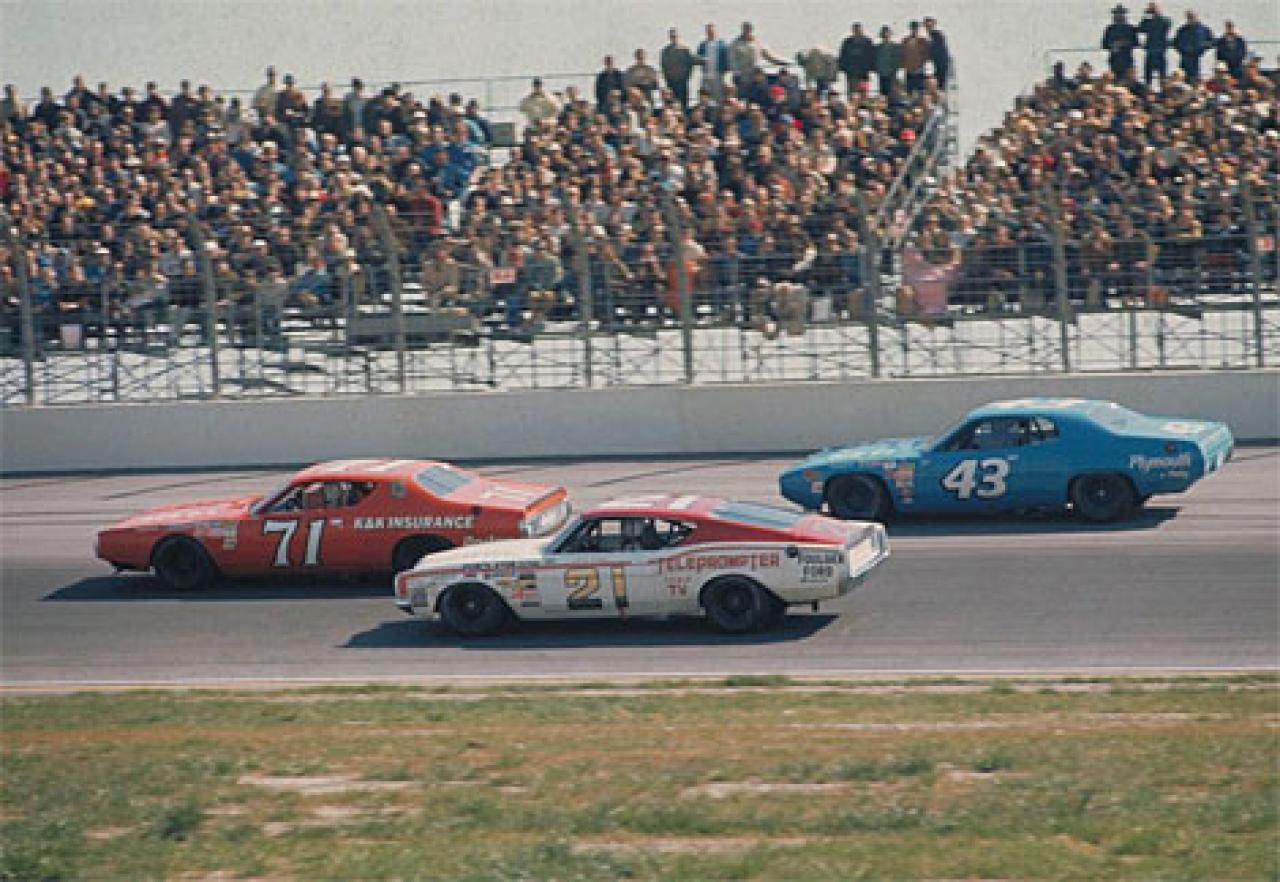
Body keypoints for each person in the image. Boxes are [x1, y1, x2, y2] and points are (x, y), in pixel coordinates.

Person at [728, 21, 788, 89]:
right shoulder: (735, 44)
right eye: (746, 29)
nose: (748, 31)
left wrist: (783, 62)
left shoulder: (758, 41)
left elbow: (769, 56)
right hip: (743, 76)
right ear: (743, 29)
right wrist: (737, 73)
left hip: (756, 75)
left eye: (749, 29)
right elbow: (732, 61)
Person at [660, 28, 703, 109]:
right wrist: (667, 78)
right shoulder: (665, 51)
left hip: (682, 82)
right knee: (671, 103)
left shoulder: (685, 50)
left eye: (675, 36)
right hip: (670, 82)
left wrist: (704, 60)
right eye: (672, 36)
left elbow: (692, 61)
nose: (674, 38)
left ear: (678, 36)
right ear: (669, 37)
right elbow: (663, 66)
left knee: (683, 104)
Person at [1172, 11, 1214, 82]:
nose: (1190, 19)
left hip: (1197, 57)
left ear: (1196, 17)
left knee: (1195, 78)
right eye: (1189, 17)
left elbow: (1212, 41)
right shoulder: (1182, 30)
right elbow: (1175, 42)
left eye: (1192, 17)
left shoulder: (1204, 29)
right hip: (1185, 57)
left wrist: (1202, 48)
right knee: (1182, 77)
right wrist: (1182, 51)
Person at [1137, 2, 1172, 86]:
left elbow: (1167, 25)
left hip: (1160, 51)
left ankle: (1163, 90)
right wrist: (1146, 17)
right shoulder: (1148, 21)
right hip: (1150, 50)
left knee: (1163, 76)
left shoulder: (1164, 20)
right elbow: (1140, 29)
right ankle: (1148, 90)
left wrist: (1156, 14)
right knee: (1148, 76)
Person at [1101, 5, 1139, 80]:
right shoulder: (1110, 29)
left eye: (1120, 14)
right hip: (1114, 59)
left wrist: (1123, 44)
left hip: (1127, 59)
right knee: (1115, 79)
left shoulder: (1130, 28)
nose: (1118, 16)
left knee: (1127, 79)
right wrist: (1113, 45)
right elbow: (1104, 44)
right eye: (1116, 14)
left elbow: (1136, 43)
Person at [838, 23, 876, 96]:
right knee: (853, 94)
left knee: (864, 94)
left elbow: (872, 56)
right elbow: (843, 56)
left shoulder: (867, 42)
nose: (857, 31)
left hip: (863, 73)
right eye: (855, 30)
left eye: (858, 29)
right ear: (852, 31)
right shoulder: (847, 42)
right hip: (851, 73)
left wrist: (870, 68)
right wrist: (844, 68)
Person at [696, 23, 730, 102]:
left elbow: (727, 60)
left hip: (718, 74)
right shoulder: (703, 45)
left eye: (712, 31)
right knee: (706, 95)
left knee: (718, 96)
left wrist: (726, 73)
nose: (710, 33)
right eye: (709, 31)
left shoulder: (722, 45)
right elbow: (698, 57)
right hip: (706, 74)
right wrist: (701, 60)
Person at [900, 21, 931, 94]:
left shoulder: (923, 41)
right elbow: (902, 54)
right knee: (909, 92)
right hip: (909, 71)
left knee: (920, 91)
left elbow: (926, 55)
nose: (914, 30)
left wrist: (922, 63)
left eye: (916, 28)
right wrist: (904, 66)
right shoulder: (906, 40)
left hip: (919, 70)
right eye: (913, 28)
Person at [923, 17, 951, 90]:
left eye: (930, 26)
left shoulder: (938, 35)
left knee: (939, 86)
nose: (929, 28)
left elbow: (939, 51)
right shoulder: (924, 36)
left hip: (940, 64)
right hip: (930, 66)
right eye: (927, 26)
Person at [874, 26, 902, 97]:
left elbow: (898, 60)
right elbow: (875, 60)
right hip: (881, 74)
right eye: (884, 34)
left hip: (891, 75)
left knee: (892, 93)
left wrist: (894, 69)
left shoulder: (895, 47)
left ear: (890, 34)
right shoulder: (877, 48)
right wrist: (877, 70)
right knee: (883, 95)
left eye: (887, 33)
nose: (885, 36)